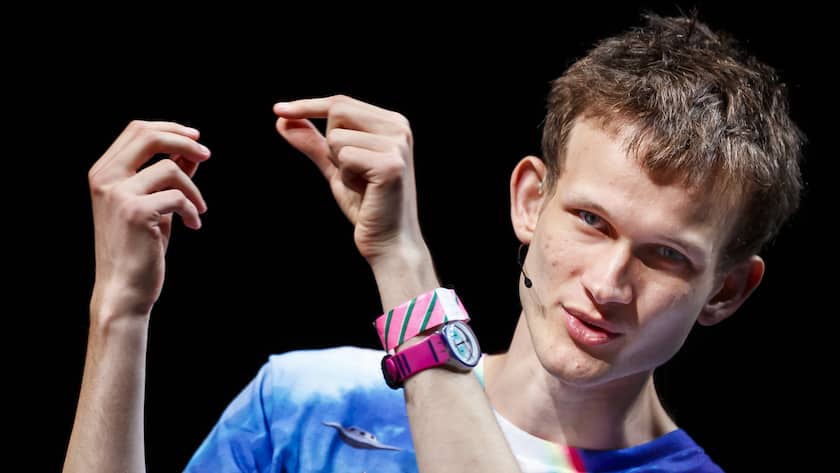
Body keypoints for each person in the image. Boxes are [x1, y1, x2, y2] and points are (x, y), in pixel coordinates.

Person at [63, 13, 803, 473]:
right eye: (591, 220)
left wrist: (401, 259)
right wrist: (119, 314)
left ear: (728, 289)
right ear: (530, 200)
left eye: (665, 255)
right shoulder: (304, 402)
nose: (608, 283)